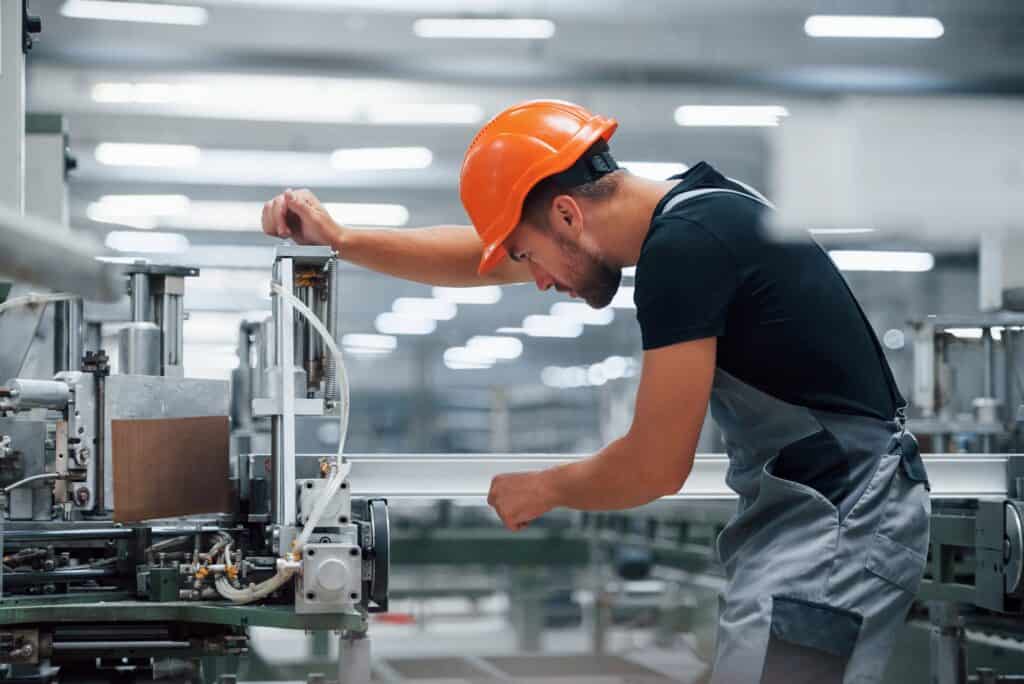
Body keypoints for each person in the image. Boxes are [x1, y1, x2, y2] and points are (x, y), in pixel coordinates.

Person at [261, 99, 930, 683]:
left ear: (567, 213)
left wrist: (545, 487)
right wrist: (342, 239)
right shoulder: (703, 210)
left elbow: (654, 466)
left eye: (528, 259)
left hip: (841, 523)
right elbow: (477, 257)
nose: (541, 283)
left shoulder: (685, 253)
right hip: (815, 516)